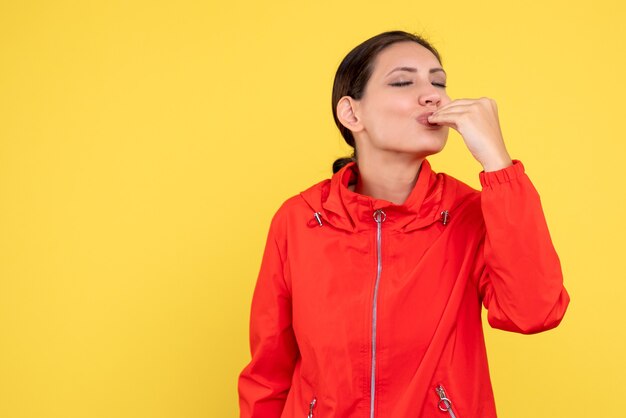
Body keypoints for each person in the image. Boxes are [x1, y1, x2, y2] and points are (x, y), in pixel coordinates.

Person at [237, 30, 570, 418]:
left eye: (438, 82)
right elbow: (268, 374)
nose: (433, 95)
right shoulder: (299, 219)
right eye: (403, 81)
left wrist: (498, 163)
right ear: (351, 113)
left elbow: (534, 312)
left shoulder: (469, 213)